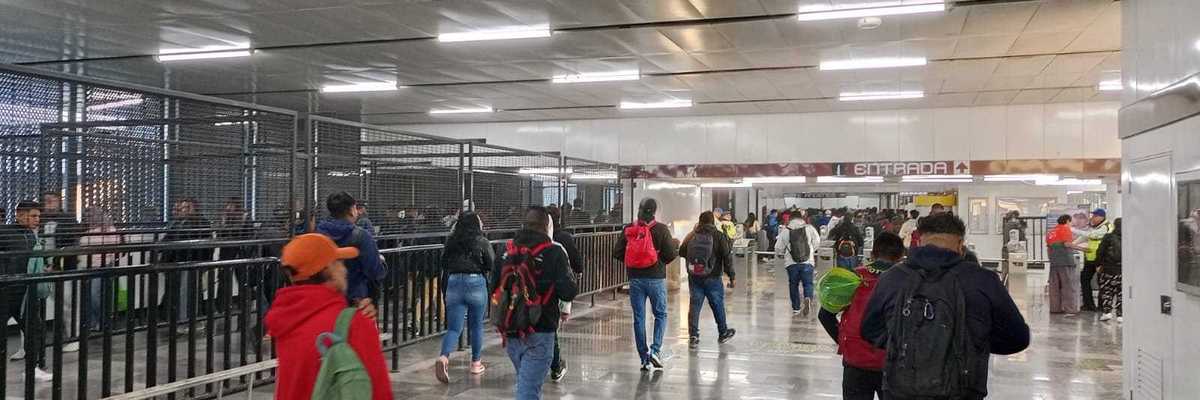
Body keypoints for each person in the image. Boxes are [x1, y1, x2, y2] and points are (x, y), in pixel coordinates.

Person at [862, 213, 1030, 400]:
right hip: (962, 389)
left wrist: (905, 341)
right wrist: (974, 344)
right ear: (960, 245)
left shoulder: (892, 278)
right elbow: (1018, 337)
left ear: (919, 240)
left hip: (901, 388)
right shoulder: (983, 280)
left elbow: (869, 330)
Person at [265, 234, 392, 400]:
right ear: (327, 269)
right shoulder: (355, 324)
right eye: (338, 262)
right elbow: (379, 391)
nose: (344, 269)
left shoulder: (284, 320)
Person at [493, 207, 578, 400]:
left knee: (527, 383)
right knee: (528, 391)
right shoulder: (554, 252)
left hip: (512, 330)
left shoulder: (504, 251)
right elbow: (568, 291)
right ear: (547, 226)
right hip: (541, 330)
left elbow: (494, 288)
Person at [817, 232, 904, 400]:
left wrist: (843, 340)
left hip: (856, 360)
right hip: (893, 362)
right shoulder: (908, 281)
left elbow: (825, 315)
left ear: (872, 254)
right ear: (900, 256)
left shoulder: (853, 278)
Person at [612, 198, 677, 371]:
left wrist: (633, 262)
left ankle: (644, 358)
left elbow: (617, 252)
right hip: (656, 278)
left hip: (635, 280)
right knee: (660, 315)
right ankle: (655, 350)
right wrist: (657, 261)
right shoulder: (662, 229)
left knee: (639, 318)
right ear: (654, 211)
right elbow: (671, 255)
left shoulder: (629, 229)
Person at [434, 212, 495, 383]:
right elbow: (491, 263)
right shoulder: (482, 241)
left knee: (454, 328)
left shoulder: (451, 241)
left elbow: (444, 262)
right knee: (476, 326)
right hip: (476, 282)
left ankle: (444, 357)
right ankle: (476, 363)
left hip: (454, 282)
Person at [0, 201, 52, 381]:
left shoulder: (31, 234)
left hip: (25, 292)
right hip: (6, 292)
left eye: (38, 216)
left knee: (35, 329)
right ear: (20, 215)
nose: (37, 220)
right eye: (34, 216)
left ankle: (34, 368)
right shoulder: (4, 232)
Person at [316, 192, 386, 311]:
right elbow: (375, 272)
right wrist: (381, 262)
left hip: (324, 300)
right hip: (355, 300)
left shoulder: (317, 234)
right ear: (351, 210)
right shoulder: (361, 236)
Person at [678, 211, 736, 349]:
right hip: (713, 276)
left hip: (695, 277)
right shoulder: (718, 236)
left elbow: (681, 251)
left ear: (700, 221)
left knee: (694, 306)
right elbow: (727, 257)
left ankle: (693, 335)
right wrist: (732, 276)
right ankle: (723, 332)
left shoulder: (693, 235)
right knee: (717, 304)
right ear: (712, 222)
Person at [158, 198, 212, 330]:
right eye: (182, 208)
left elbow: (201, 243)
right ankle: (184, 319)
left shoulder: (201, 223)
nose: (183, 210)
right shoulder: (178, 223)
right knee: (182, 292)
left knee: (187, 293)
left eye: (187, 208)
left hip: (191, 262)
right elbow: (168, 239)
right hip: (178, 262)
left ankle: (185, 322)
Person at [546, 207, 583, 382]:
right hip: (555, 292)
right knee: (551, 328)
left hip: (529, 297)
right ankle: (555, 364)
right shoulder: (562, 242)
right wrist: (579, 270)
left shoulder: (522, 244)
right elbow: (573, 259)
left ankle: (553, 363)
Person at [76, 208, 121, 333]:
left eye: (92, 215)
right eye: (87, 216)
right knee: (88, 296)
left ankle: (102, 321)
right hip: (87, 267)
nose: (89, 218)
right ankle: (93, 322)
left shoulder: (109, 229)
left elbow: (114, 248)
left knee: (96, 296)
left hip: (103, 266)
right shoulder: (83, 230)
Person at [775, 211, 821, 316]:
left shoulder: (786, 230)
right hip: (807, 262)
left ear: (790, 219)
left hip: (791, 263)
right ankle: (807, 297)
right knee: (808, 283)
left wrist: (783, 253)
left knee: (793, 284)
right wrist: (811, 251)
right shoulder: (809, 228)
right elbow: (817, 241)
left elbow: (778, 248)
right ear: (802, 218)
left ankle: (796, 308)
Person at [1046, 215, 1082, 315]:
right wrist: (1083, 249)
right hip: (1066, 261)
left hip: (1054, 262)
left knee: (1054, 286)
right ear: (1067, 221)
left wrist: (1051, 260)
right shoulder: (1065, 229)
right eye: (1071, 222)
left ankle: (1055, 308)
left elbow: (1048, 249)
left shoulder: (1051, 232)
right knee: (1068, 286)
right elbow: (1067, 244)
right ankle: (1071, 309)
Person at [1081, 209, 1114, 312]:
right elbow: (1085, 237)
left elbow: (1092, 236)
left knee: (1102, 282)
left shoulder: (1106, 227)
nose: (1092, 218)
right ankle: (1088, 305)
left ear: (1101, 217)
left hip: (1102, 260)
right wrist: (1072, 243)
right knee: (1084, 279)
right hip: (1091, 258)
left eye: (1094, 216)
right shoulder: (1094, 226)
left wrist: (1072, 230)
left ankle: (1102, 306)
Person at [1096, 218, 1123, 322]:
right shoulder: (1129, 237)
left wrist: (1098, 264)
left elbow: (1100, 252)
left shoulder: (1108, 237)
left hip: (1108, 269)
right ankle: (1121, 315)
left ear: (1115, 225)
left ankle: (1107, 313)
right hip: (1123, 270)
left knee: (1107, 291)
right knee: (1121, 292)